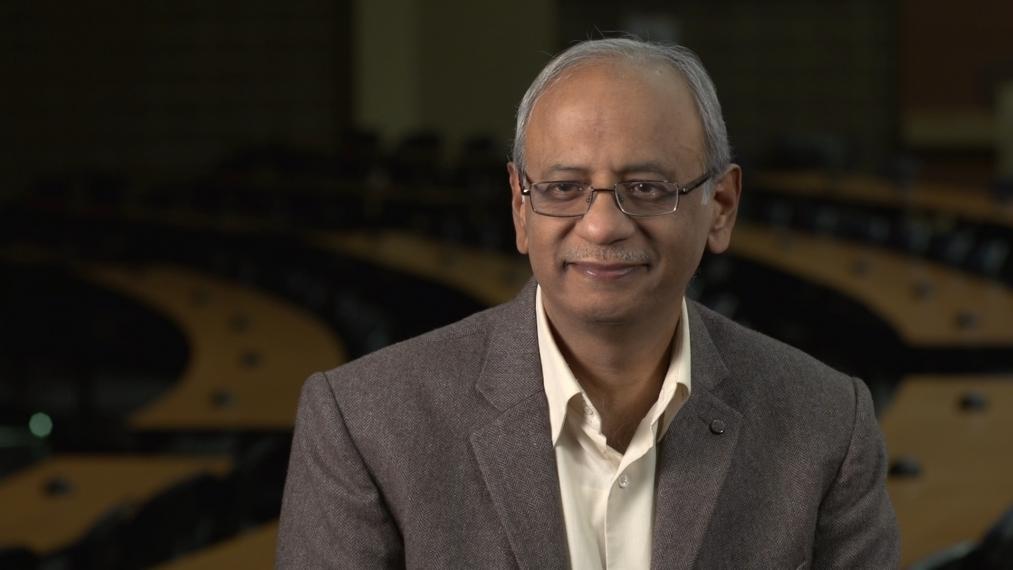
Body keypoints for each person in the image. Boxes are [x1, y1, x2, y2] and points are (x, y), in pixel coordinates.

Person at [277, 38, 899, 568]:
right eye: (564, 187)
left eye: (647, 188)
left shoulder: (826, 425)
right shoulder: (363, 422)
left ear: (722, 209)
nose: (601, 227)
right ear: (521, 208)